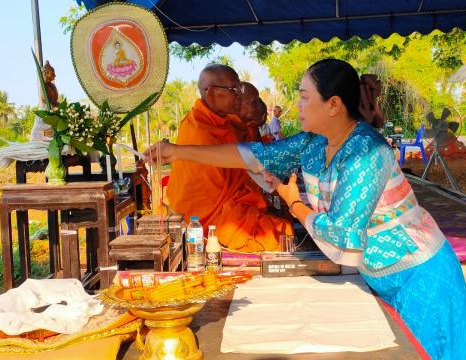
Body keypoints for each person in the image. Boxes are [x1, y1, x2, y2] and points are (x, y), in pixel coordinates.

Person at [146, 59, 466, 359]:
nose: (296, 104)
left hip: (420, 275)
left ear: (333, 105)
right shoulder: (312, 142)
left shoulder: (368, 152)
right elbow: (257, 155)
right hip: (377, 274)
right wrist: (176, 151)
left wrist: (295, 205)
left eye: (303, 96)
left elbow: (342, 236)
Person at [164, 64, 293, 252]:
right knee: (283, 234)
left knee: (285, 226)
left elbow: (247, 166)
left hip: (233, 208)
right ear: (211, 93)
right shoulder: (199, 130)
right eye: (234, 91)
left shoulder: (225, 124)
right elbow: (244, 167)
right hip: (205, 221)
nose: (239, 98)